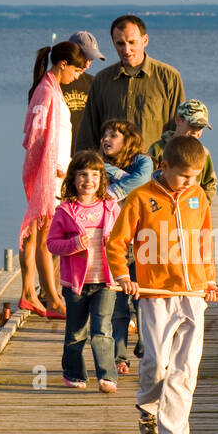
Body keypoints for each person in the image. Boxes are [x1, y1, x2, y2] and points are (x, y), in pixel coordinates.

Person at [107, 135, 218, 434]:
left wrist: (209, 281)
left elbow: (204, 242)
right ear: (165, 166)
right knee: (157, 362)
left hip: (193, 293)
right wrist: (123, 277)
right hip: (155, 293)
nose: (190, 182)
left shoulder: (198, 196)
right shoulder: (141, 198)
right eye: (184, 175)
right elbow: (116, 243)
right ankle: (148, 403)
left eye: (195, 176)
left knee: (186, 367)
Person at [20, 39, 88, 318]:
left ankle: (30, 292)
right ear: (63, 64)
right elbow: (36, 135)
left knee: (36, 232)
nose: (77, 76)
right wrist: (51, 167)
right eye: (76, 70)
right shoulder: (48, 92)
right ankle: (53, 299)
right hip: (49, 173)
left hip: (50, 170)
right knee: (45, 234)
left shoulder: (47, 89)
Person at [47, 150, 120, 392]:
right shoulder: (65, 211)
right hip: (75, 284)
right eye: (82, 175)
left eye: (95, 175)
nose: (89, 180)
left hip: (106, 281)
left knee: (102, 330)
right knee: (76, 333)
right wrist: (75, 244)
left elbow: (123, 239)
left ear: (102, 179)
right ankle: (74, 374)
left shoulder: (111, 208)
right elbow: (52, 243)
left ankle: (107, 376)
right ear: (72, 179)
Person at [78, 15, 184, 153]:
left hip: (153, 170)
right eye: (120, 44)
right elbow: (88, 133)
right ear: (113, 43)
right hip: (110, 170)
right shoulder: (101, 80)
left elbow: (179, 130)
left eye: (132, 42)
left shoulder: (169, 78)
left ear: (145, 40)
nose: (126, 50)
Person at [98, 119, 153, 375]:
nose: (106, 139)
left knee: (142, 298)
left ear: (128, 139)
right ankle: (120, 356)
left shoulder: (143, 161)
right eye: (105, 135)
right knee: (118, 303)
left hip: (141, 238)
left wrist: (113, 189)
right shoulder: (97, 163)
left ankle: (145, 346)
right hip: (112, 242)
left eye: (113, 135)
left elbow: (143, 181)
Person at [148, 99, 218, 203]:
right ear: (178, 120)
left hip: (191, 208)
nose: (196, 132)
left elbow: (210, 183)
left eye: (200, 127)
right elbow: (148, 181)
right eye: (192, 126)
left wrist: (202, 204)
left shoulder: (203, 152)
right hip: (162, 205)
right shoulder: (157, 149)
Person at [61, 31, 105, 156]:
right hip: (60, 157)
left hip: (88, 157)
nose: (87, 64)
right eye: (84, 58)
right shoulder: (52, 84)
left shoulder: (94, 83)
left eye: (91, 59)